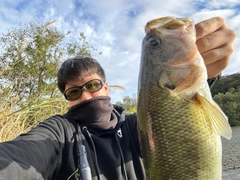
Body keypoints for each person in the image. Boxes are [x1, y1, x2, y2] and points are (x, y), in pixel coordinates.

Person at [0, 17, 236, 180]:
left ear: (106, 87)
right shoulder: (58, 132)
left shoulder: (140, 126)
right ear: (67, 99)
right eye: (74, 91)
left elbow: (181, 111)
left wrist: (207, 74)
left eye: (92, 85)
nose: (86, 95)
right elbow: (18, 155)